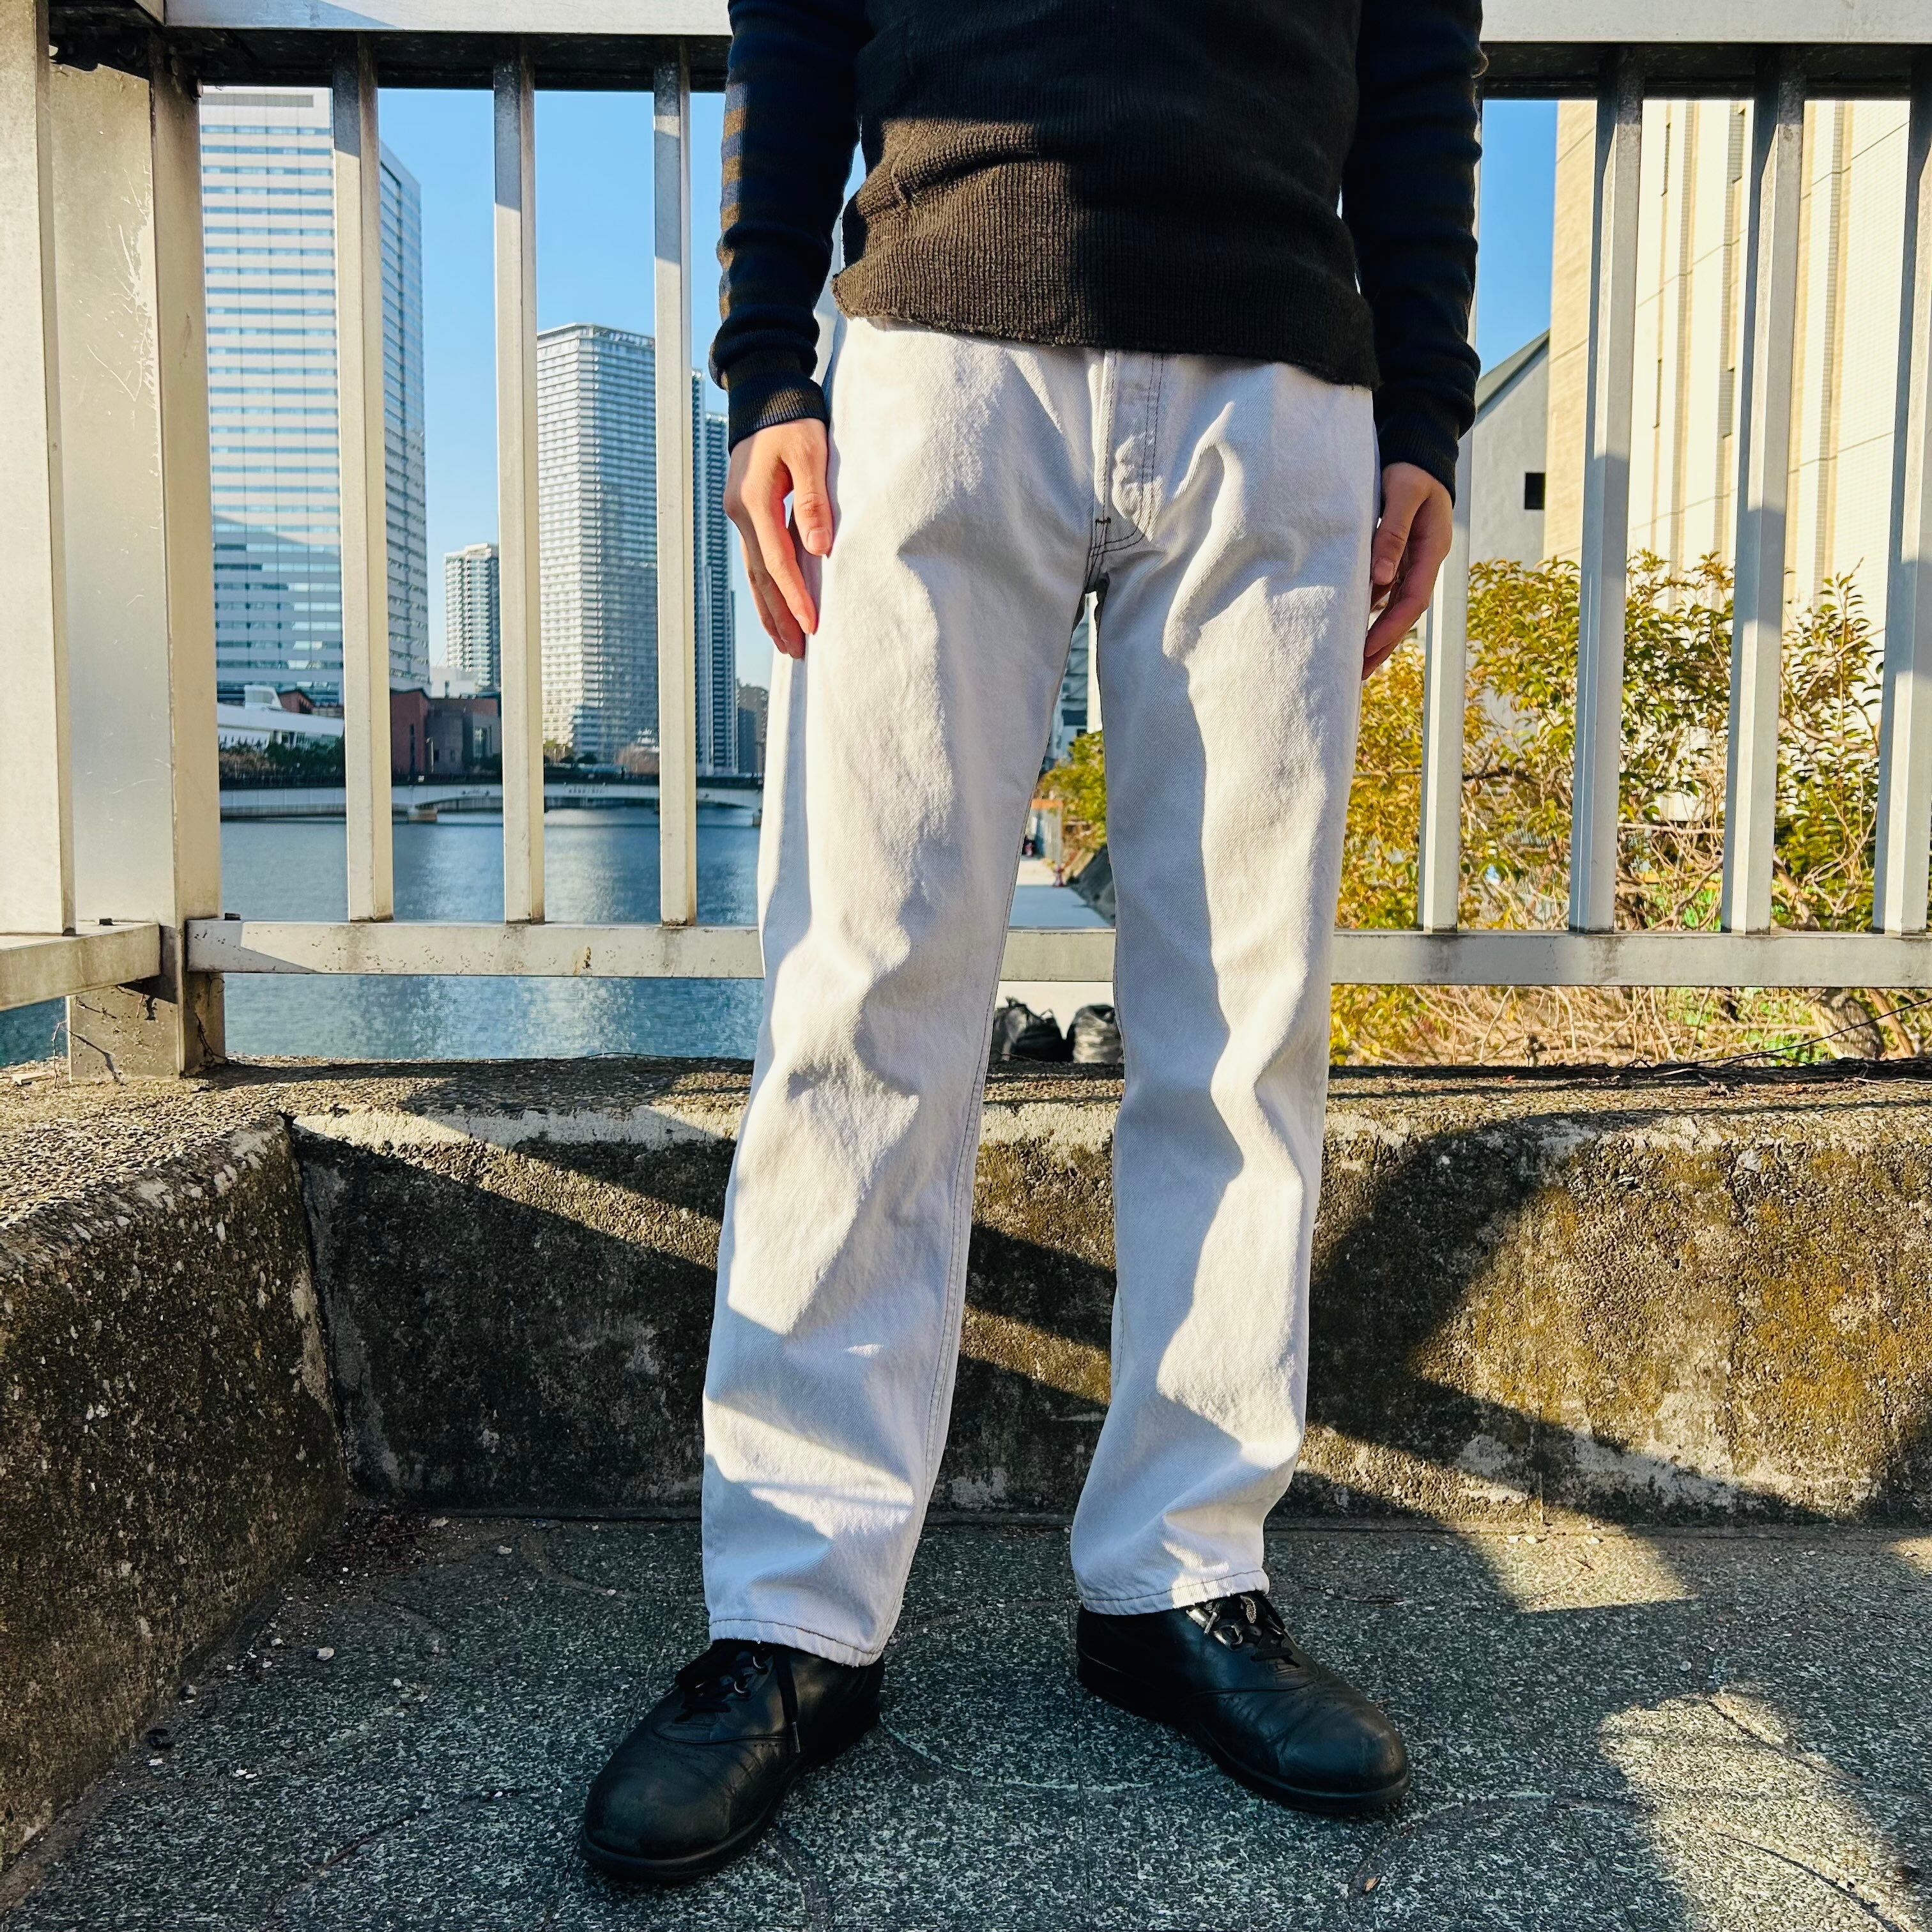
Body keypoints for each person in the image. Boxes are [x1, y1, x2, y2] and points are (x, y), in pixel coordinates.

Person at [582, 0, 1481, 1882]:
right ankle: (794, 1618)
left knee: (1243, 1023)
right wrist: (770, 375)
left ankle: (1182, 1577)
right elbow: (793, 17)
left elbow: (1420, 55)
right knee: (860, 997)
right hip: (941, 322)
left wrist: (1427, 412)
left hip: (1278, 368)